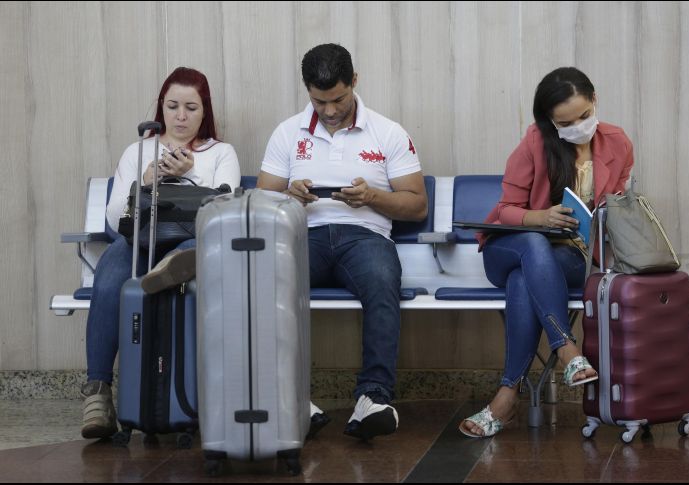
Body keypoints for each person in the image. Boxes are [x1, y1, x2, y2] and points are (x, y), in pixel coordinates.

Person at [257, 43, 428, 441]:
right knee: (264, 281)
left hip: (365, 237)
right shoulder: (287, 133)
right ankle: (290, 398)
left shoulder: (388, 133)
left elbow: (417, 205)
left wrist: (373, 197)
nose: (330, 110)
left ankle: (374, 397)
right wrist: (289, 196)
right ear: (307, 90)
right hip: (304, 235)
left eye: (338, 99)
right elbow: (262, 200)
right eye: (320, 102)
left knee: (383, 282)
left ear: (355, 81)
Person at [459, 67, 634, 438]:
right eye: (566, 122)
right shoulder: (535, 143)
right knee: (533, 245)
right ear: (550, 121)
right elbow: (505, 209)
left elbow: (618, 209)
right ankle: (567, 350)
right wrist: (541, 217)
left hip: (571, 258)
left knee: (525, 281)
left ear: (595, 100)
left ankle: (506, 397)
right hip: (509, 249)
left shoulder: (618, 144)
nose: (579, 126)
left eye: (585, 116)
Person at [80, 67, 241, 439]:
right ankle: (98, 395)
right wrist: (149, 179)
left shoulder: (221, 153)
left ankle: (170, 273)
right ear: (161, 109)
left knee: (190, 251)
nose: (181, 117)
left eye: (191, 108)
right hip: (139, 242)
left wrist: (191, 176)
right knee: (111, 274)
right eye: (172, 107)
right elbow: (113, 214)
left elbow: (227, 208)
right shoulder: (139, 150)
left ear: (205, 112)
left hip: (192, 241)